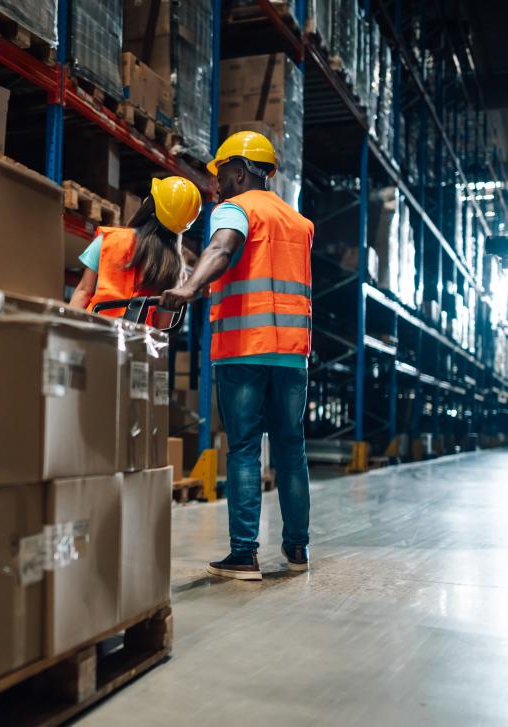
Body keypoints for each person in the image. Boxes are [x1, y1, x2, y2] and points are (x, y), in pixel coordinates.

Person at [160, 130, 315, 581]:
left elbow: (223, 247)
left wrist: (188, 287)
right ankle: (297, 549)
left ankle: (244, 555)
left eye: (222, 174)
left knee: (245, 449)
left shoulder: (235, 209)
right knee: (292, 449)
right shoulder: (298, 222)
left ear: (242, 171)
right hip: (291, 353)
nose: (217, 184)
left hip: (243, 350)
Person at [69, 176, 202, 320]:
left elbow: (84, 292)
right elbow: (163, 324)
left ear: (148, 203)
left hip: (97, 332)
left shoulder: (109, 240)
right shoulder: (174, 267)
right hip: (139, 340)